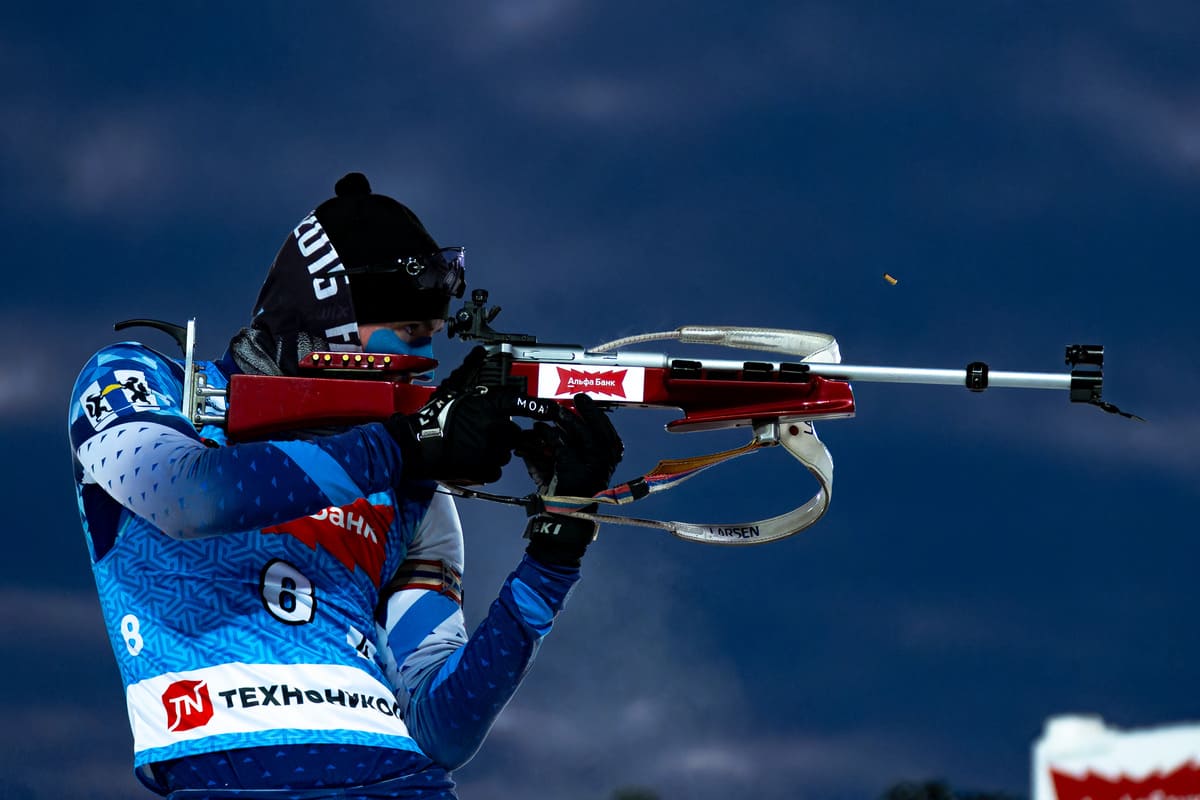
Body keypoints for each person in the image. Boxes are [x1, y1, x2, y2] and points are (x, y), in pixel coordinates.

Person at [67, 172, 623, 799]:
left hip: (402, 782)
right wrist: (402, 445)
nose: (423, 365)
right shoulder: (141, 380)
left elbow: (442, 729)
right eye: (409, 334)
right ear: (326, 316)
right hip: (228, 777)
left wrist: (556, 547)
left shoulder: (413, 486)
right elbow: (188, 497)